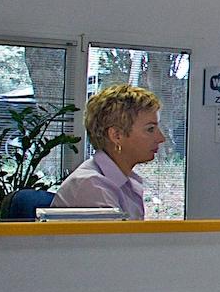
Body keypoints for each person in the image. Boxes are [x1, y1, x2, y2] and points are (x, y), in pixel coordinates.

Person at [51, 84, 167, 219]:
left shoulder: (124, 180)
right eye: (150, 129)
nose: (161, 138)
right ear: (116, 135)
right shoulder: (92, 186)